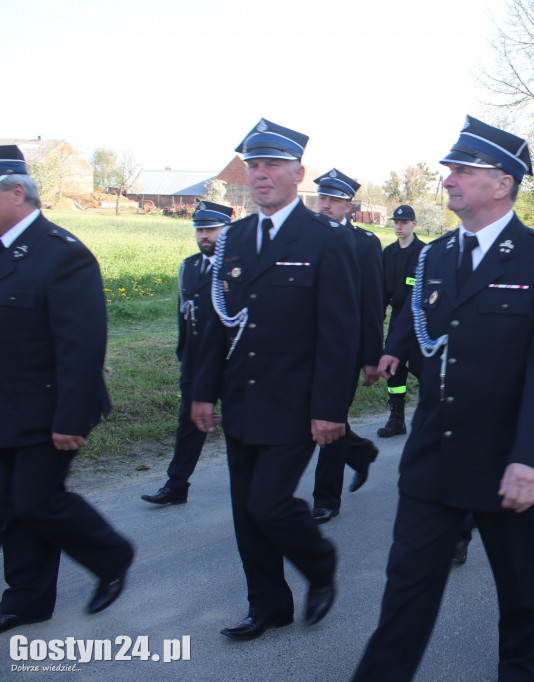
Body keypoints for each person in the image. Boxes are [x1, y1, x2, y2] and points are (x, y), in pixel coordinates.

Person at [352, 116, 534, 682]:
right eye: (449, 168)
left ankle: (519, 672)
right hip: (434, 456)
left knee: (525, 591)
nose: (447, 177)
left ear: (502, 182)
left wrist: (533, 458)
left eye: (462, 168)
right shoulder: (436, 256)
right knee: (405, 593)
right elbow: (418, 316)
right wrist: (393, 348)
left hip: (508, 459)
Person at [192, 119, 359, 639]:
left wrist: (331, 407)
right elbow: (218, 324)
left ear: (298, 174)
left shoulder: (325, 239)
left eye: (271, 166)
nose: (260, 175)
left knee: (269, 503)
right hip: (243, 398)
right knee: (247, 513)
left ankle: (319, 564)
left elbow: (340, 333)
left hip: (295, 402)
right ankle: (267, 605)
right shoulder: (235, 237)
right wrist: (201, 391)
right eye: (253, 165)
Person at [0, 145, 134, 632]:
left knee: (36, 499)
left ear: (18, 193)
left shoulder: (62, 254)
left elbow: (82, 345)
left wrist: (70, 418)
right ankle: (26, 598)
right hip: (6, 406)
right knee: (11, 507)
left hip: (49, 406)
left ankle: (112, 555)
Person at [142, 201, 233, 505]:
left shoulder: (237, 266)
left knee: (245, 425)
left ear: (226, 230)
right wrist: (184, 353)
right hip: (196, 359)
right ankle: (176, 484)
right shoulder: (189, 266)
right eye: (200, 230)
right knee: (189, 422)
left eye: (211, 229)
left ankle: (351, 447)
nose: (204, 236)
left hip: (233, 359)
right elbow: (184, 315)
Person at [308, 168, 385, 523]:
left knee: (333, 416)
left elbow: (372, 302)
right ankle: (361, 450)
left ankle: (326, 498)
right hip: (305, 347)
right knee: (310, 416)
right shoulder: (303, 235)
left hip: (346, 349)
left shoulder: (365, 243)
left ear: (349, 205)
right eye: (322, 198)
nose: (325, 205)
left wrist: (371, 357)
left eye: (334, 200)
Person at [377, 204, 425, 438]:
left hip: (420, 320)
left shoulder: (425, 252)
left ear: (414, 224)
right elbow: (383, 290)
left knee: (422, 368)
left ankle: (429, 416)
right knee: (394, 370)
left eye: (404, 222)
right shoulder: (389, 253)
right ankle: (397, 419)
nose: (399, 226)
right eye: (396, 222)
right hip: (397, 318)